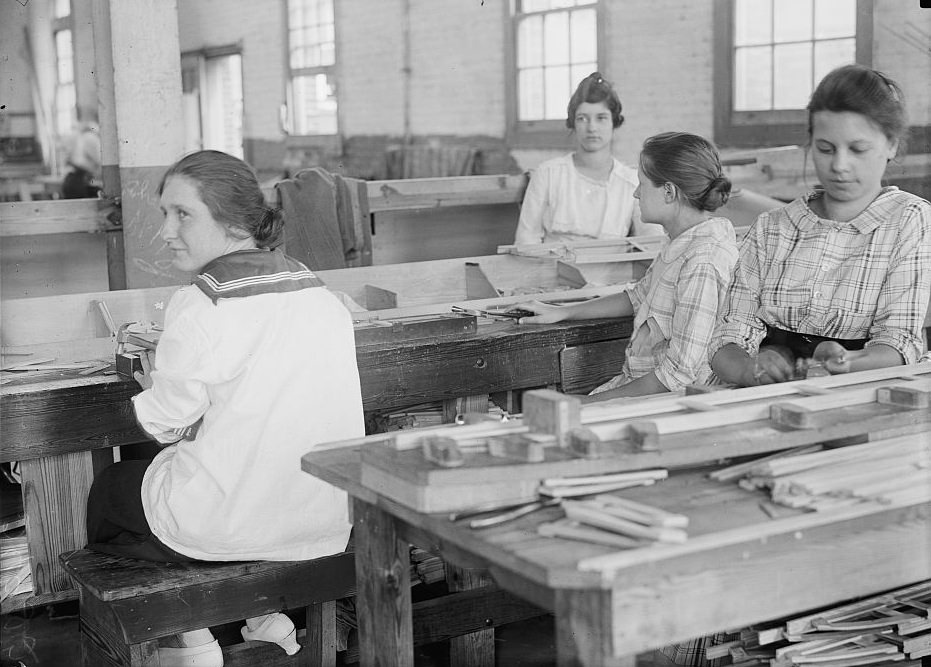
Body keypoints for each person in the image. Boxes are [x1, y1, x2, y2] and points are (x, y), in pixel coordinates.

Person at [85, 150, 365, 667]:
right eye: (164, 213)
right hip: (321, 521)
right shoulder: (319, 292)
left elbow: (166, 423)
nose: (166, 232)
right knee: (229, 479)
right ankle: (262, 619)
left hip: (234, 523)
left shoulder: (202, 303)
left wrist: (152, 379)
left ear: (234, 221)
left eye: (182, 214)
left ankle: (189, 638)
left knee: (110, 493)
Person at [710, 64, 931, 388]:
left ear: (892, 145)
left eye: (858, 149)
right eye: (826, 149)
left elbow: (898, 342)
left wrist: (848, 361)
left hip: (862, 395)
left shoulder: (908, 221)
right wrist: (748, 368)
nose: (840, 165)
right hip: (763, 398)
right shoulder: (772, 229)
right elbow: (726, 340)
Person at [515, 131, 738, 400]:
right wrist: (562, 311)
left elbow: (677, 376)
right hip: (642, 386)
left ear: (669, 191)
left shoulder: (702, 261)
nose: (635, 193)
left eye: (642, 185)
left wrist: (586, 403)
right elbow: (637, 296)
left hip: (667, 403)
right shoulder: (679, 243)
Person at [513, 72, 662, 245]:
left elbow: (652, 242)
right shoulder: (548, 174)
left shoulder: (631, 183)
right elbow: (526, 240)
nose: (592, 128)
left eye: (601, 118)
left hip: (612, 270)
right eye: (582, 118)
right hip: (552, 268)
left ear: (614, 122)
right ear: (573, 123)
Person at [61, 111, 101, 199]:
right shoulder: (90, 138)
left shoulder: (82, 136)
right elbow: (99, 160)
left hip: (76, 178)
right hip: (79, 179)